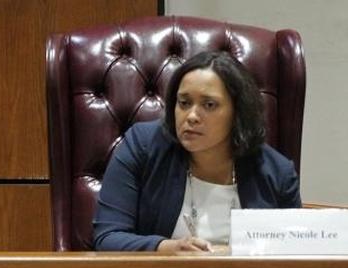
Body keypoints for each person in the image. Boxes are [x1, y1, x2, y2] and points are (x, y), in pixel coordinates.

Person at [93, 51, 301, 253]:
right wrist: (165, 248)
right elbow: (108, 237)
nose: (191, 116)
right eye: (184, 103)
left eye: (209, 105)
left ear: (238, 113)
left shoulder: (277, 173)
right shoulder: (143, 146)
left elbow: (295, 254)